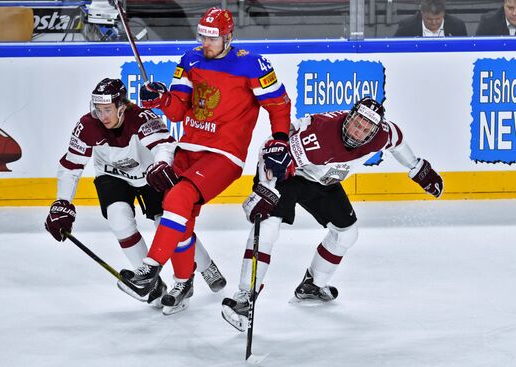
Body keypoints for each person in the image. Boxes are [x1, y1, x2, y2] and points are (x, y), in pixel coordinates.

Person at [116, 7, 292, 314]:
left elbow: (279, 103)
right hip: (189, 147)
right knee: (178, 211)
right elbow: (177, 110)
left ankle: (149, 268)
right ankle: (183, 282)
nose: (206, 43)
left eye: (213, 38)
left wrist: (279, 139)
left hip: (224, 155)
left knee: (180, 195)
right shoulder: (190, 59)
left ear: (228, 36)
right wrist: (160, 99)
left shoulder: (252, 64)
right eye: (203, 36)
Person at [221, 97, 444, 331]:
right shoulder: (318, 136)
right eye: (356, 122)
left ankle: (312, 285)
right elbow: (274, 151)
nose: (358, 131)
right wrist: (265, 188)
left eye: (366, 129)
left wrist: (417, 168)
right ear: (349, 117)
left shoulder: (384, 134)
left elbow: (398, 143)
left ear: (374, 132)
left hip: (321, 180)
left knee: (347, 234)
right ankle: (244, 297)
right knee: (268, 226)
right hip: (289, 173)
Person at [44, 78, 227, 314]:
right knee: (117, 218)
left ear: (122, 106)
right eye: (98, 110)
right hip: (113, 176)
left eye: (108, 109)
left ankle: (205, 265)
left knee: (170, 224)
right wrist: (62, 202)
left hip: (150, 175)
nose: (103, 116)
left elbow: (164, 145)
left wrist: (161, 165)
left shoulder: (142, 118)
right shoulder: (87, 126)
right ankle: (149, 281)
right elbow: (71, 166)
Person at [393, 0, 467, 37]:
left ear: (444, 13)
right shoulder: (406, 27)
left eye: (438, 19)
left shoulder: (458, 26)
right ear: (421, 12)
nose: (434, 22)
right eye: (429, 19)